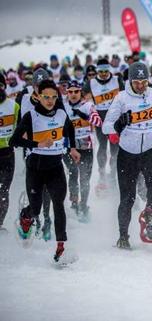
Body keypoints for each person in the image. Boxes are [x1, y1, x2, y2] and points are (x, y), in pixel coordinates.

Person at [102, 62, 152, 249]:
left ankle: (150, 214)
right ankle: (123, 237)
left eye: (144, 82)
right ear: (130, 81)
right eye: (136, 82)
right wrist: (119, 124)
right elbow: (106, 126)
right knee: (127, 198)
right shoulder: (121, 99)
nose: (140, 86)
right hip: (128, 153)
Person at [11, 79, 80, 262]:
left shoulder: (60, 114)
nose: (50, 100)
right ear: (38, 97)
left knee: (59, 204)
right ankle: (26, 216)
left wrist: (72, 148)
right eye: (46, 97)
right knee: (36, 209)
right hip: (35, 167)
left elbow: (70, 128)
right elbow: (14, 141)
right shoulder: (30, 116)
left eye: (53, 97)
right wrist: (37, 143)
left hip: (56, 167)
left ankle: (61, 246)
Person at [63, 80, 102, 221]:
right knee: (73, 173)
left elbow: (99, 122)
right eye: (70, 92)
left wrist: (84, 115)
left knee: (85, 179)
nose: (73, 94)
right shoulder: (63, 108)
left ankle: (83, 205)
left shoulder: (88, 106)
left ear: (80, 92)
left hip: (86, 147)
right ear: (67, 93)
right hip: (69, 148)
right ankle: (74, 202)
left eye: (76, 91)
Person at [82, 58, 124, 182]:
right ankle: (101, 171)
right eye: (101, 72)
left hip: (115, 118)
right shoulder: (91, 83)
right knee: (102, 145)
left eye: (106, 71)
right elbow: (82, 96)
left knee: (114, 146)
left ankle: (113, 172)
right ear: (97, 71)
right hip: (100, 118)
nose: (104, 74)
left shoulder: (117, 80)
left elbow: (125, 96)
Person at [0, 74, 19, 232]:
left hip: (7, 154)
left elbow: (21, 129)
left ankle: (0, 223)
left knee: (4, 190)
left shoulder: (13, 106)